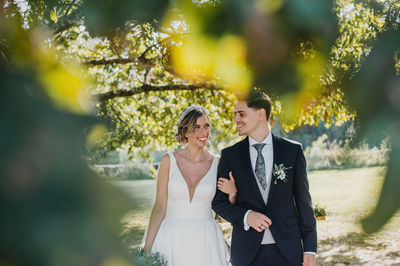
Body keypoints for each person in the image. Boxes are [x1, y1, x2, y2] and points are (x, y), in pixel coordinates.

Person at [212, 90, 317, 266]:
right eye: (235, 114)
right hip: (247, 252)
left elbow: (304, 203)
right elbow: (218, 203)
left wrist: (310, 248)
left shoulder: (292, 151)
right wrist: (247, 216)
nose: (236, 120)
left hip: (288, 249)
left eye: (241, 114)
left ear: (260, 114)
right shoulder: (230, 155)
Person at [143, 105, 236, 266]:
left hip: (206, 241)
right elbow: (159, 208)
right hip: (171, 238)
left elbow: (225, 213)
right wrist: (146, 251)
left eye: (206, 126)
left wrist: (233, 193)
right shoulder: (168, 161)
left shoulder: (218, 163)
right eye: (196, 127)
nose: (204, 132)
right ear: (185, 132)